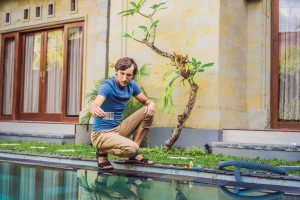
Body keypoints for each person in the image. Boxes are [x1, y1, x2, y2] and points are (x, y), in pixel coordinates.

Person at [90, 57, 155, 170]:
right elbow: (95, 103)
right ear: (116, 71)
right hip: (101, 134)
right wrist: (94, 108)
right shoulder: (108, 86)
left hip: (118, 129)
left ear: (133, 75)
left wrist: (151, 104)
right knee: (132, 148)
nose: (125, 78)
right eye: (122, 73)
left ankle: (133, 155)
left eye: (129, 75)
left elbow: (146, 101)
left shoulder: (132, 85)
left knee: (148, 111)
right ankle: (102, 152)